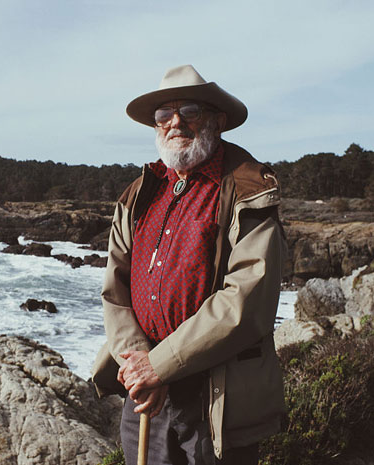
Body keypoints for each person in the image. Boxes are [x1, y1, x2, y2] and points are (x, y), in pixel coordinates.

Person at [91, 64, 287, 465]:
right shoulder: (138, 194)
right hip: (146, 394)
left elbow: (246, 302)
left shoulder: (248, 189)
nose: (175, 122)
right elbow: (115, 288)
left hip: (215, 397)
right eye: (164, 114)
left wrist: (159, 366)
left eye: (190, 111)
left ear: (218, 120)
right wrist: (137, 362)